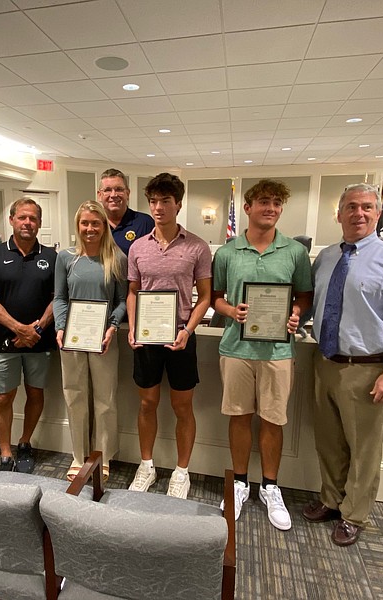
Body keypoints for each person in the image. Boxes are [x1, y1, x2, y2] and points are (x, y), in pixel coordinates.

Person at [307, 183, 383, 547]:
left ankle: (354, 515)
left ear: (377, 214)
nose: (359, 213)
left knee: (364, 449)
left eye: (368, 208)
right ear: (339, 213)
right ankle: (331, 499)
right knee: (329, 442)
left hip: (369, 368)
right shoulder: (326, 257)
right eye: (352, 207)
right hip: (326, 361)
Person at [211, 179, 313, 529]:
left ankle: (270, 486)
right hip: (236, 348)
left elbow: (304, 296)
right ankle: (239, 483)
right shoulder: (226, 253)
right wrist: (230, 312)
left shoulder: (295, 253)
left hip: (278, 350)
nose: (271, 208)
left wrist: (297, 313)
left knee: (273, 419)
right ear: (248, 208)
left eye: (276, 203)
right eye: (264, 202)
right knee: (239, 416)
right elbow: (216, 298)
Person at [126, 173, 212, 499]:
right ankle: (146, 466)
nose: (158, 207)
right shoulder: (138, 247)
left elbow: (204, 296)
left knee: (182, 407)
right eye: (153, 201)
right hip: (146, 337)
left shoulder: (197, 247)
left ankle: (181, 471)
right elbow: (132, 292)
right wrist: (133, 326)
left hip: (181, 338)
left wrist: (188, 330)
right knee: (147, 404)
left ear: (178, 203)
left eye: (165, 201)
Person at [0, 198, 56, 472]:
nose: (27, 223)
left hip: (39, 340)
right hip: (3, 342)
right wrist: (19, 328)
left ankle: (25, 442)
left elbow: (57, 298)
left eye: (33, 218)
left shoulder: (51, 256)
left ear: (39, 223)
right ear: (11, 220)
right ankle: (5, 451)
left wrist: (36, 329)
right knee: (3, 397)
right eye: (22, 217)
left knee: (35, 393)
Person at [54, 201, 127, 482]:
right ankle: (78, 455)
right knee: (74, 396)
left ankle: (103, 456)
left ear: (104, 225)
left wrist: (112, 326)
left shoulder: (116, 258)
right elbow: (59, 297)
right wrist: (60, 327)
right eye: (85, 223)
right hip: (72, 336)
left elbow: (121, 301)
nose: (90, 228)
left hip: (104, 339)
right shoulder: (66, 258)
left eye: (95, 223)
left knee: (105, 399)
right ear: (78, 225)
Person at [97, 168, 154, 255]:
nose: (113, 195)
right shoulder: (93, 225)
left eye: (119, 189)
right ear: (99, 195)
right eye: (107, 190)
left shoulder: (145, 223)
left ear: (127, 193)